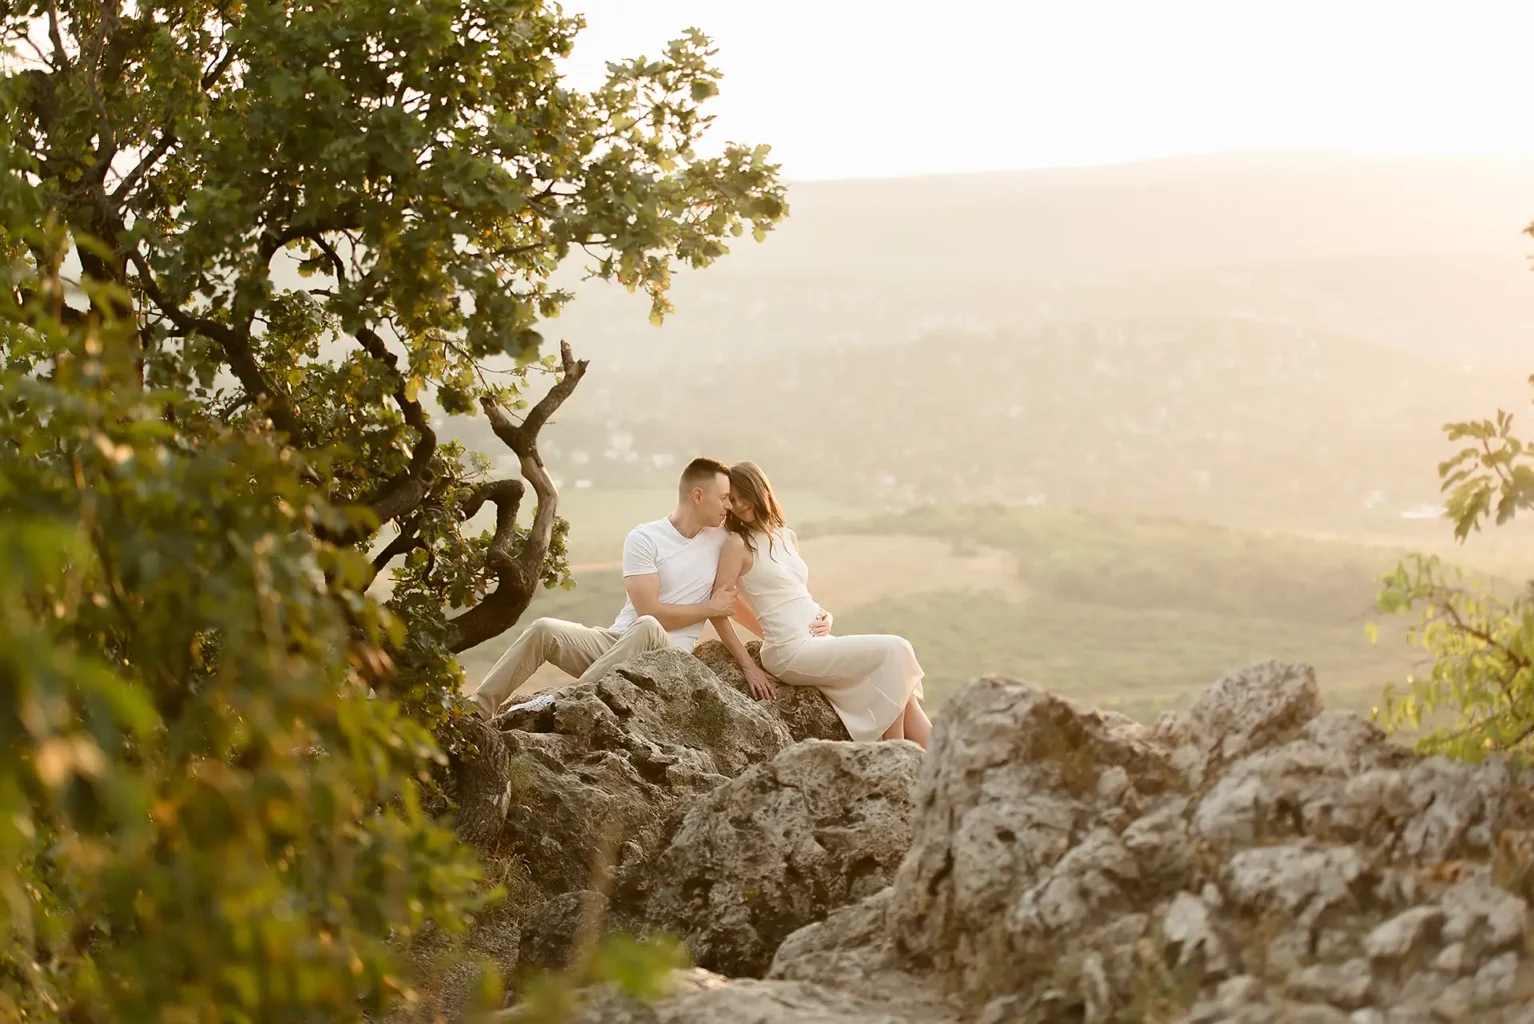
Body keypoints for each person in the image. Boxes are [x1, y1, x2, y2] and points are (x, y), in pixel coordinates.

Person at [467, 457, 738, 720]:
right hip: (617, 643)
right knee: (543, 629)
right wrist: (710, 609)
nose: (729, 505)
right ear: (698, 495)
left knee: (647, 627)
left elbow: (751, 584)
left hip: (668, 658)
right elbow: (651, 611)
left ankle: (562, 701)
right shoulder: (646, 537)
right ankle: (476, 709)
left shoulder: (724, 541)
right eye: (724, 497)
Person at [707, 461, 931, 747]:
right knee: (897, 650)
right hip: (789, 652)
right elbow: (720, 609)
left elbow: (793, 594)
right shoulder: (738, 544)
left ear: (759, 490)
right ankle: (893, 754)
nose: (738, 505)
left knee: (903, 691)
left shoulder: (786, 536)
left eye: (743, 495)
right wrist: (749, 665)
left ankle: (944, 767)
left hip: (817, 641)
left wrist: (824, 615)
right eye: (732, 499)